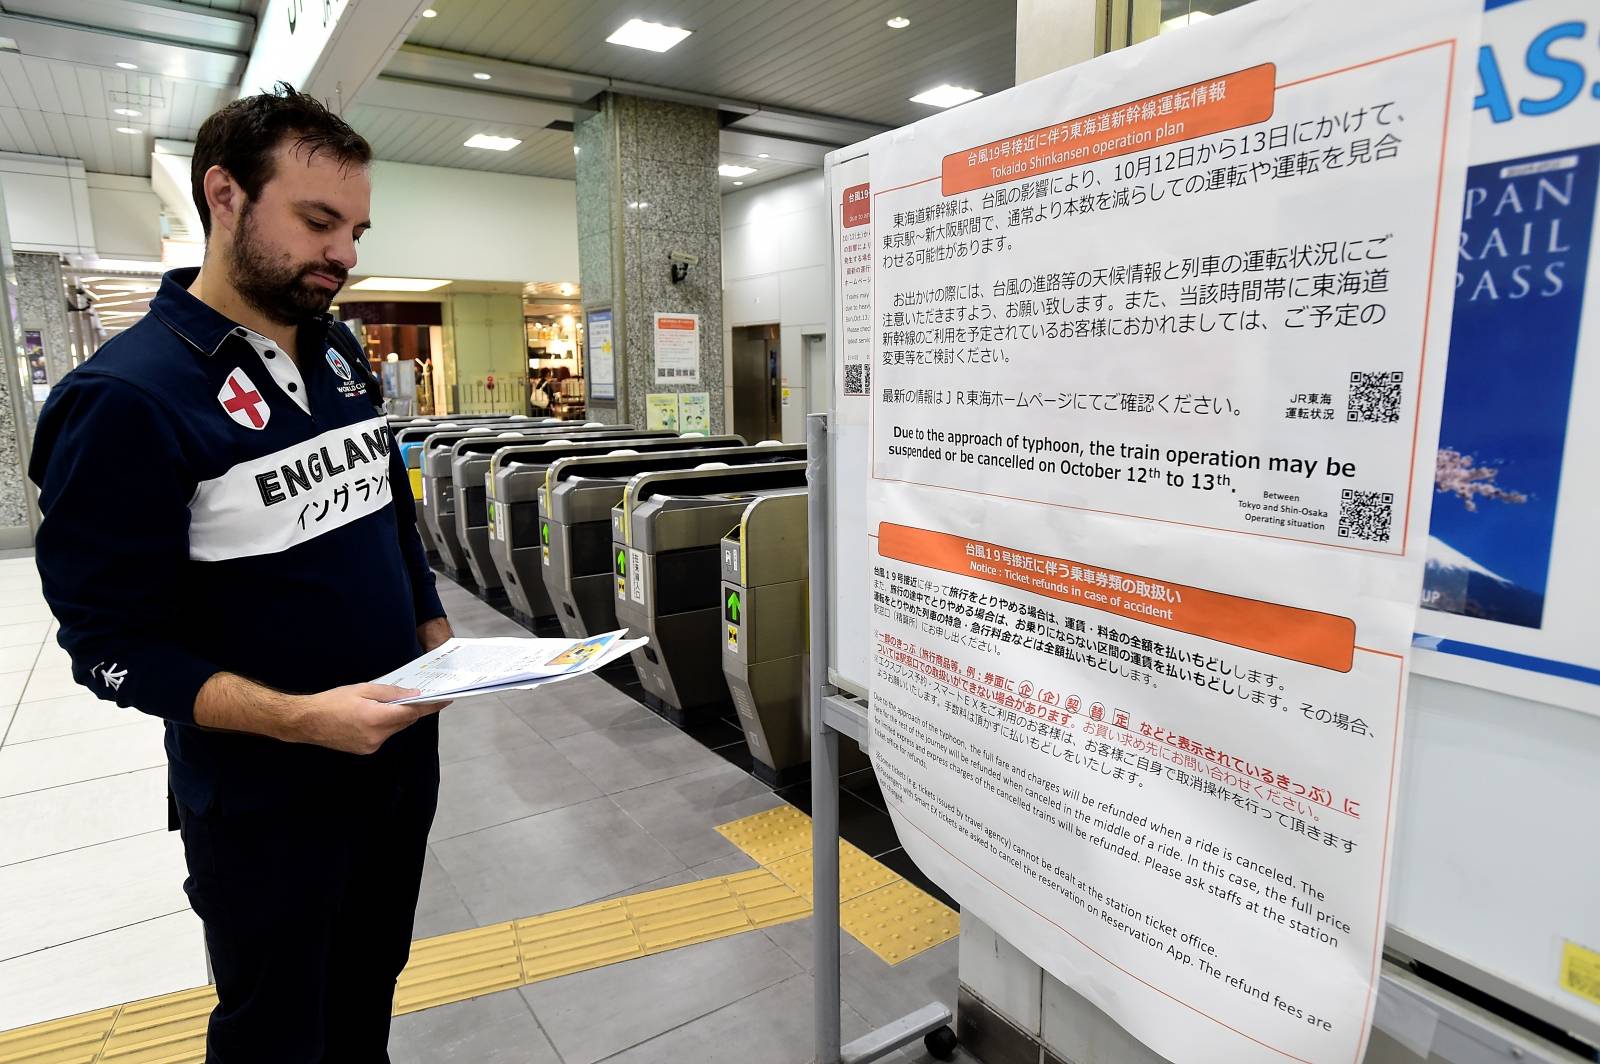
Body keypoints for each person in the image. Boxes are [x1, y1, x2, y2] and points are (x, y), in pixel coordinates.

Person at [29, 83, 452, 1063]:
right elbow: (112, 649)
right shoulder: (126, 399)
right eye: (317, 220)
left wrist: (429, 620)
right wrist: (304, 717)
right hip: (268, 804)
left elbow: (384, 496)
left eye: (354, 226)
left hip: (395, 766)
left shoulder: (339, 351)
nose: (344, 253)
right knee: (277, 1030)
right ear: (224, 195)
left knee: (364, 996)